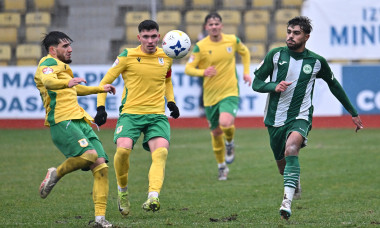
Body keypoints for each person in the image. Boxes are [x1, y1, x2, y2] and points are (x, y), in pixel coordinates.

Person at [251, 16, 363, 220]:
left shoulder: (316, 62)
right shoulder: (275, 55)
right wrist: (272, 86)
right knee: (282, 167)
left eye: (296, 33)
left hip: (300, 116)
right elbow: (256, 83)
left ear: (306, 36)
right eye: (289, 32)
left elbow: (334, 85)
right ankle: (294, 180)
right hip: (274, 119)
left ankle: (286, 202)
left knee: (292, 148)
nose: (290, 36)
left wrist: (353, 112)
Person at [94, 20, 180, 216]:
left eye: (154, 36)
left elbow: (166, 80)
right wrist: (101, 108)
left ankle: (153, 196)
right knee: (122, 152)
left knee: (161, 154)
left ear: (159, 37)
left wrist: (171, 102)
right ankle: (122, 192)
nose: (150, 41)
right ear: (139, 37)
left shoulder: (166, 56)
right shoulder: (127, 56)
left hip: (157, 115)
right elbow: (105, 82)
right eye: (146, 37)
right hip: (130, 115)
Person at [35, 31, 116, 227]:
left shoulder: (62, 67)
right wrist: (67, 82)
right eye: (65, 46)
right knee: (88, 156)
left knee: (101, 166)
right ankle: (57, 173)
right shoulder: (47, 64)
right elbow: (48, 82)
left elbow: (73, 89)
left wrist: (99, 89)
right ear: (52, 50)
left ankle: (100, 219)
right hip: (62, 121)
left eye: (70, 45)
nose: (70, 49)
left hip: (79, 120)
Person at [185, 12, 252, 180]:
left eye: (217, 24)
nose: (214, 27)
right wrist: (203, 71)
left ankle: (230, 143)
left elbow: (245, 53)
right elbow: (188, 68)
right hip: (210, 97)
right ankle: (222, 166)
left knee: (225, 122)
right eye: (211, 24)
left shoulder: (232, 40)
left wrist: (245, 72)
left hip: (230, 91)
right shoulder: (200, 46)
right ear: (206, 27)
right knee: (215, 133)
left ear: (221, 26)